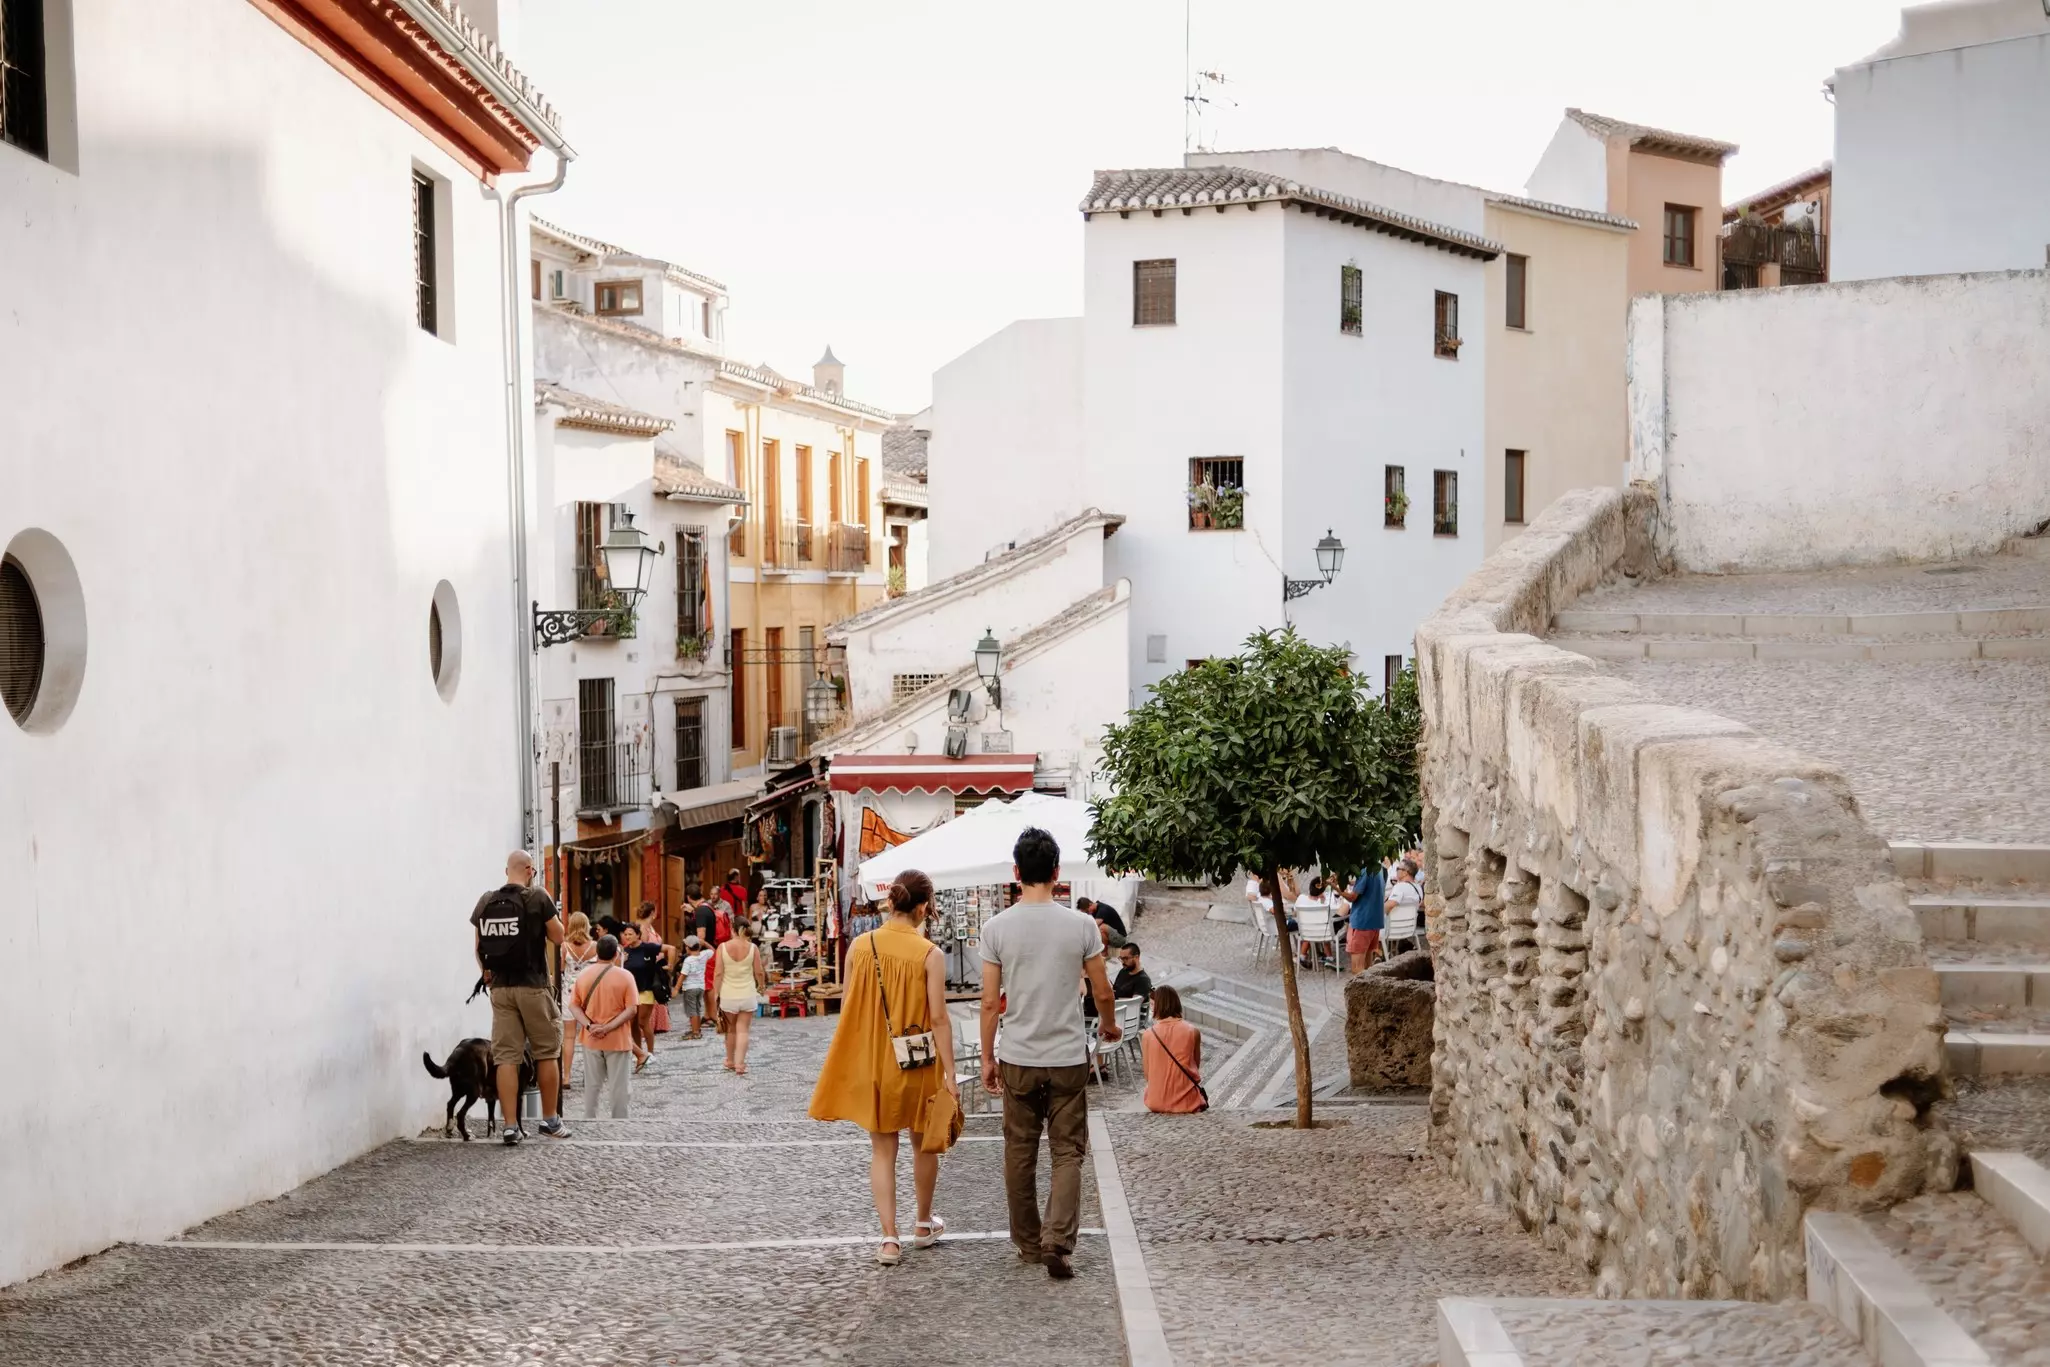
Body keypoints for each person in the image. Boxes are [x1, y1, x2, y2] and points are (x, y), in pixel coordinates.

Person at [979, 827, 1118, 1281]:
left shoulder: (996, 928)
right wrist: (1111, 1024)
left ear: (1016, 873)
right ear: (1057, 874)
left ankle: (1027, 1242)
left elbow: (987, 1002)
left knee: (1019, 1150)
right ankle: (1057, 1239)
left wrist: (986, 1057)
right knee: (1067, 1152)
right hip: (1067, 1057)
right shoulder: (1080, 925)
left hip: (1018, 1053)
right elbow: (1101, 988)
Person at [809, 869, 959, 1266]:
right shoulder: (930, 954)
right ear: (924, 906)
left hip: (878, 1063)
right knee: (923, 1143)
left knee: (882, 1150)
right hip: (919, 1064)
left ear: (891, 901)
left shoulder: (860, 946)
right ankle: (923, 1225)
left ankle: (889, 1239)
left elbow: (852, 1010)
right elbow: (940, 1019)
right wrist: (951, 1072)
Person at [470, 851, 570, 1144]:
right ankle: (550, 1120)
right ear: (529, 870)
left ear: (506, 871)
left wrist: (487, 973)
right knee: (547, 1051)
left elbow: (478, 945)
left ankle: (511, 1126)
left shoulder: (487, 900)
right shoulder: (537, 896)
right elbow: (559, 936)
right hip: (533, 985)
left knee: (506, 1057)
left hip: (500, 989)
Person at [569, 933, 638, 1119]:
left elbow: (573, 1006)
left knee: (592, 1086)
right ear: (616, 953)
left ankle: (589, 1120)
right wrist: (607, 1027)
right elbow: (631, 1010)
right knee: (620, 1088)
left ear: (596, 953)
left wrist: (590, 1026)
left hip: (591, 1038)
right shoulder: (625, 976)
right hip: (618, 1039)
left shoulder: (583, 975)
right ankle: (619, 1123)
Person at [1140, 986, 1205, 1114]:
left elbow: (1148, 1074)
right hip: (1188, 1101)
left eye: (1152, 1005)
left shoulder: (1148, 1035)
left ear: (1157, 1006)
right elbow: (1195, 1067)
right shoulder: (1193, 1032)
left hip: (1156, 1101)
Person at [717, 914, 768, 1075]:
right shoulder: (752, 948)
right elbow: (759, 972)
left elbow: (718, 973)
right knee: (743, 1030)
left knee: (730, 1030)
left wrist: (715, 993)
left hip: (728, 994)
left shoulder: (723, 948)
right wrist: (761, 986)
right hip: (747, 993)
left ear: (732, 929)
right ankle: (740, 1064)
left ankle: (730, 1061)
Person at [558, 912, 597, 1091]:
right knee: (590, 1034)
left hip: (569, 994)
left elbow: (560, 970)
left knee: (568, 1037)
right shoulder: (595, 946)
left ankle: (566, 1077)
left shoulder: (564, 947)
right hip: (590, 994)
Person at [1338, 861, 1387, 973]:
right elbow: (1366, 884)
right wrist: (1349, 882)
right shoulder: (1378, 868)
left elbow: (1352, 897)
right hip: (1374, 923)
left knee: (1357, 969)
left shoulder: (1364, 870)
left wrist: (1336, 888)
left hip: (1361, 922)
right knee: (1367, 967)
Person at [679, 935, 712, 1040]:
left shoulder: (688, 960)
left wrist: (676, 988)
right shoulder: (704, 954)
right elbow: (714, 950)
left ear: (688, 947)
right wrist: (705, 943)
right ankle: (697, 1029)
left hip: (690, 988)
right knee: (697, 1009)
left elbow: (683, 975)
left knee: (692, 1011)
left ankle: (695, 1032)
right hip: (701, 987)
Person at [1385, 860, 1423, 951]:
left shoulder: (1400, 887)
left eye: (1398, 868)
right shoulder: (1418, 888)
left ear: (1405, 872)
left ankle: (1378, 954)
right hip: (1409, 929)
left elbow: (1389, 906)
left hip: (1393, 930)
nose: (1396, 870)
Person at [1112, 942, 1152, 1009]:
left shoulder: (1143, 980)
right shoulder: (1123, 971)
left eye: (1126, 958)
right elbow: (1115, 990)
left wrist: (1114, 1000)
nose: (1122, 962)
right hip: (1117, 1010)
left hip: (1130, 1016)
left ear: (1136, 957)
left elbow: (1133, 1004)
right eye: (1121, 958)